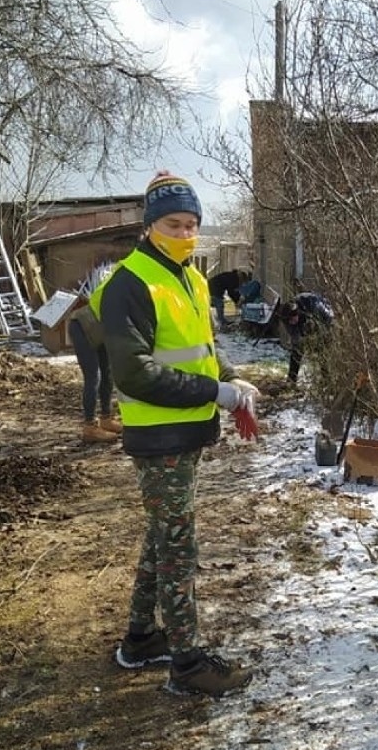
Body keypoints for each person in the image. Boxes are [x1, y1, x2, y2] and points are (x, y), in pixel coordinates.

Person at [99, 172, 260, 695]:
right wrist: (214, 393)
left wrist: (232, 377)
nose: (186, 233)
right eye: (174, 224)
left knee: (161, 534)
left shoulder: (190, 277)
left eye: (192, 224)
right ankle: (188, 665)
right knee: (178, 548)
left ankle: (142, 637)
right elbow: (135, 372)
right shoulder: (130, 283)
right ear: (149, 226)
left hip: (187, 434)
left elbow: (203, 347)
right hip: (159, 439)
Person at [67, 261, 122, 444]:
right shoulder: (120, 285)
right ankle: (89, 427)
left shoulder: (125, 282)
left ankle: (106, 419)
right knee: (94, 376)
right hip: (82, 328)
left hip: (100, 331)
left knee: (107, 373)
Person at [279, 291, 334, 383]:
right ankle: (291, 380)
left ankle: (326, 379)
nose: (290, 323)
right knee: (296, 351)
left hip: (321, 321)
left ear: (297, 314)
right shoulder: (286, 316)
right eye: (289, 321)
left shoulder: (315, 306)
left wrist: (318, 332)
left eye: (292, 320)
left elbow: (329, 319)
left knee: (322, 352)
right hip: (306, 324)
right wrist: (300, 340)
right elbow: (294, 336)